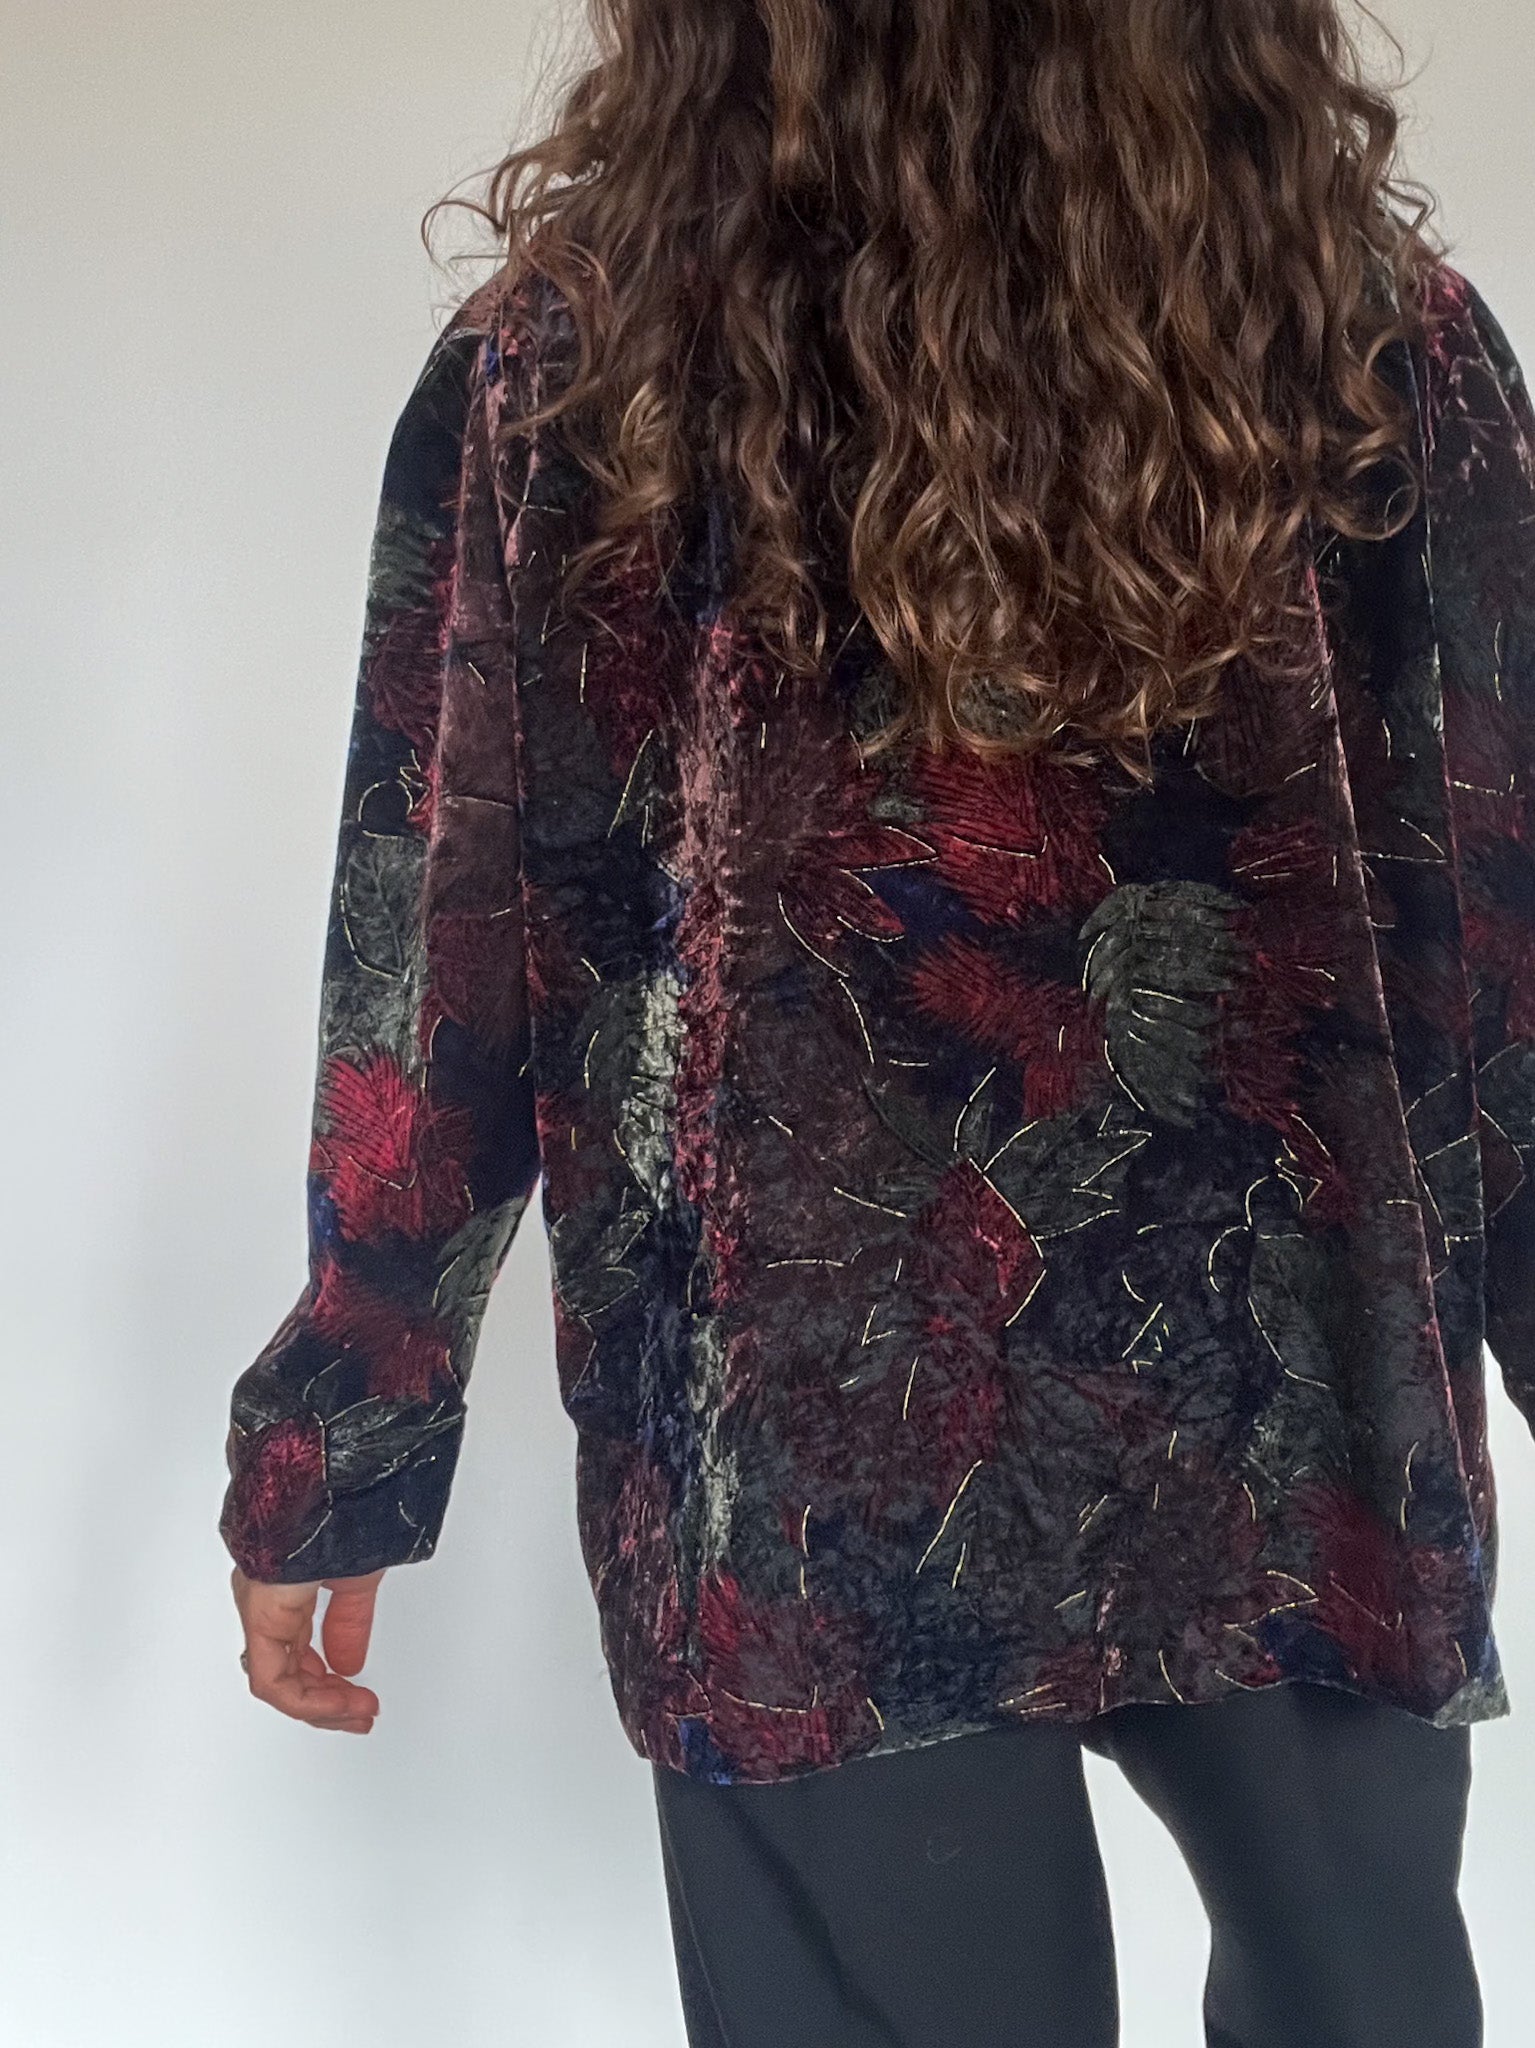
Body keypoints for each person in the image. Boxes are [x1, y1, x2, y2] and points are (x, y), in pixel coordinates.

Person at [219, 3, 1535, 2042]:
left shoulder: (575, 372)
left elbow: (444, 930)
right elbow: (1508, 882)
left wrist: (344, 1425)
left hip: (810, 1445)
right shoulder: (1374, 344)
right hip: (1302, 1384)